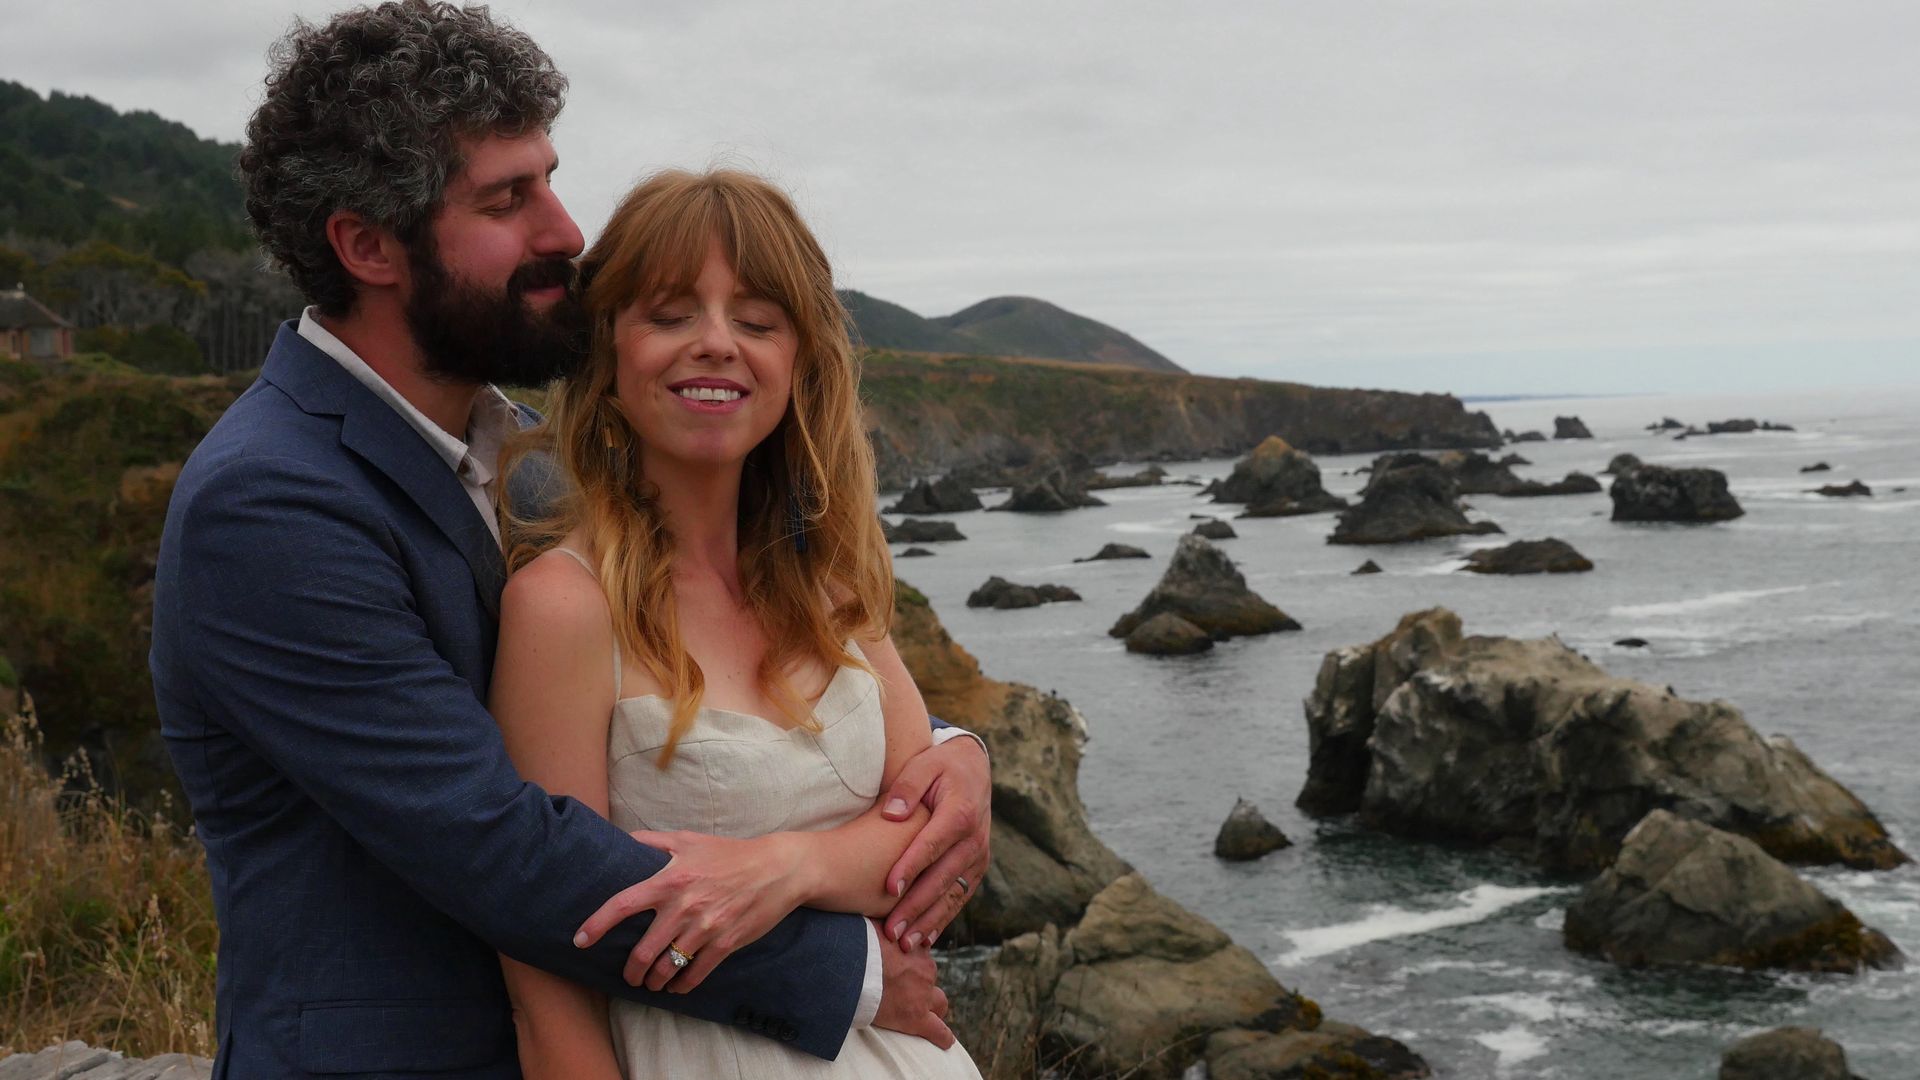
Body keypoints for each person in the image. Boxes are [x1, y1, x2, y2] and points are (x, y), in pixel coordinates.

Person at [147, 3, 989, 1076]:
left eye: (549, 177)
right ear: (366, 246)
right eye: (509, 198)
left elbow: (730, 651)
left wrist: (956, 758)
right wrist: (848, 972)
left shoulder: (520, 469)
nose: (564, 231)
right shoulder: (270, 500)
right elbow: (503, 850)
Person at [489, 169, 983, 1078]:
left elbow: (930, 851)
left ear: (799, 363)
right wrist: (841, 864)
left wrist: (786, 867)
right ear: (606, 356)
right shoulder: (564, 607)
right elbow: (547, 982)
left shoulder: (829, 588)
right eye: (671, 315)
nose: (716, 345)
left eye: (757, 322)